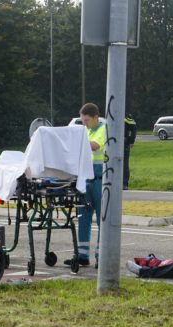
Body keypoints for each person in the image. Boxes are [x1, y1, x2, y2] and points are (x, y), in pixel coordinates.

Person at [66, 102, 106, 268]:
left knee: (102, 219)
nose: (84, 123)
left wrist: (78, 142)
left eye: (87, 120)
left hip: (100, 179)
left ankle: (101, 257)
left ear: (96, 117)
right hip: (85, 179)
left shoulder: (104, 129)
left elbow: (95, 145)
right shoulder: (88, 129)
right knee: (83, 218)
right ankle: (82, 255)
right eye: (82, 121)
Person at [123, 113, 137, 190]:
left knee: (124, 164)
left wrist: (131, 141)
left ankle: (124, 184)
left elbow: (133, 128)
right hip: (113, 144)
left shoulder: (126, 117)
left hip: (124, 143)